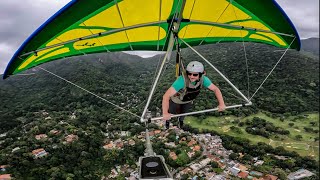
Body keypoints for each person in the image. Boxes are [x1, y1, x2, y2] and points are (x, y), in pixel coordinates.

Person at [162, 61, 226, 129]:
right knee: (171, 112)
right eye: (189, 74)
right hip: (176, 101)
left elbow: (216, 89)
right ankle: (167, 121)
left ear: (201, 74)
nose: (191, 77)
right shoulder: (181, 81)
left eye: (195, 75)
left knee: (184, 113)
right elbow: (166, 96)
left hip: (187, 100)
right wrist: (165, 113)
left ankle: (180, 121)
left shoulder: (203, 79)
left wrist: (221, 103)